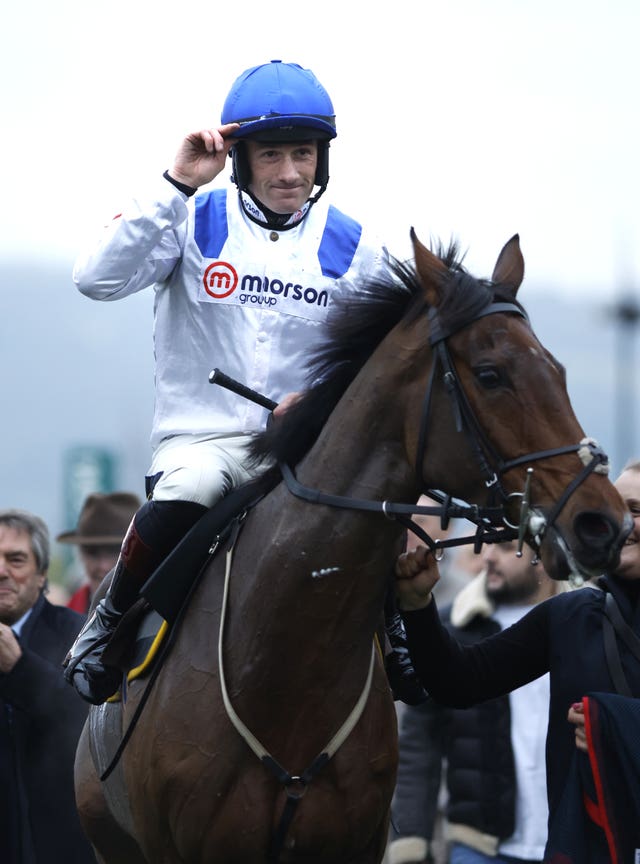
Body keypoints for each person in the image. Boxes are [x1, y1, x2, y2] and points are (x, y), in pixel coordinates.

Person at [65, 59, 419, 707]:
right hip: (205, 444)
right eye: (273, 155)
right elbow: (95, 278)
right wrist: (174, 183)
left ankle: (398, 638)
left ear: (323, 158)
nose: (290, 173)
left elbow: (394, 356)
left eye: (304, 155)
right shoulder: (189, 217)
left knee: (382, 499)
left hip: (309, 448)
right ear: (240, 157)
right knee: (197, 482)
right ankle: (108, 623)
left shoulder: (359, 245)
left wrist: (324, 402)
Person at [394, 459, 640, 863]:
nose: (624, 522)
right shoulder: (571, 615)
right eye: (617, 508)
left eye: (637, 509)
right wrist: (418, 606)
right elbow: (458, 682)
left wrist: (611, 725)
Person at [389, 541, 567, 864]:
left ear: (544, 555)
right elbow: (419, 743)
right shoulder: (446, 632)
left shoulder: (584, 626)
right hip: (479, 847)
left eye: (505, 545)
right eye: (487, 546)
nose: (487, 556)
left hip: (572, 843)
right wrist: (411, 841)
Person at [0, 508, 95, 863]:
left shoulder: (77, 634)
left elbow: (88, 719)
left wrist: (20, 667)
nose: (1, 571)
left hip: (61, 843)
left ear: (41, 575)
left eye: (16, 560)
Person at [57, 491, 141, 614]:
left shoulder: (159, 613)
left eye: (116, 551)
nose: (103, 566)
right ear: (80, 554)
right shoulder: (67, 617)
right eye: (92, 552)